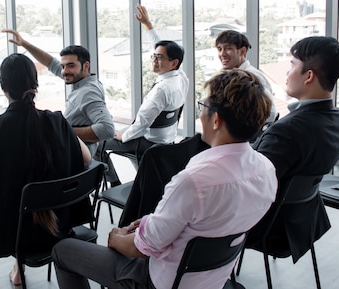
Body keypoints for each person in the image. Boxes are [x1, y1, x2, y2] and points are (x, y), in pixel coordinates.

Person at [52, 69, 278, 289]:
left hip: (161, 281)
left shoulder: (194, 181)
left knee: (63, 251)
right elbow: (207, 225)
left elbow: (142, 248)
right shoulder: (266, 171)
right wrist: (151, 222)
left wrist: (115, 238)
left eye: (203, 106)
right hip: (214, 279)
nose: (200, 114)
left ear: (216, 119)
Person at [0, 53, 92, 286]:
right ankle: (18, 266)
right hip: (58, 228)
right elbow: (87, 158)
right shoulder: (56, 121)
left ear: (3, 87)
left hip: (12, 234)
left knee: (9, 193)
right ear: (36, 86)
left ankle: (18, 265)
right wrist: (64, 129)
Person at [247, 36, 339, 261]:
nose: (287, 72)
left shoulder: (287, 131)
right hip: (302, 221)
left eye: (292, 65)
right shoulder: (338, 120)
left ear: (309, 76)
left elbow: (249, 188)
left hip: (269, 227)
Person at [101, 4, 189, 185]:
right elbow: (158, 46)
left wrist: (122, 135)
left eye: (159, 58)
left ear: (173, 63)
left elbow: (141, 124)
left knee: (99, 142)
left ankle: (114, 183)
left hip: (147, 143)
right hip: (167, 140)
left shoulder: (161, 90)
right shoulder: (181, 77)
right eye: (154, 56)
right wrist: (148, 26)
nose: (154, 60)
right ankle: (144, 177)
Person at [3, 29, 115, 156]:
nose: (64, 71)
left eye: (71, 65)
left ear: (86, 66)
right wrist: (24, 44)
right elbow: (51, 63)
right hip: (71, 150)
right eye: (63, 66)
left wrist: (62, 130)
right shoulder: (81, 80)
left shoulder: (88, 92)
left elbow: (107, 129)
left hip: (74, 158)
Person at [215, 29, 277, 123]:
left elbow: (270, 113)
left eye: (228, 48)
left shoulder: (253, 77)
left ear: (242, 51)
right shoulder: (225, 75)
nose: (222, 54)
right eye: (220, 49)